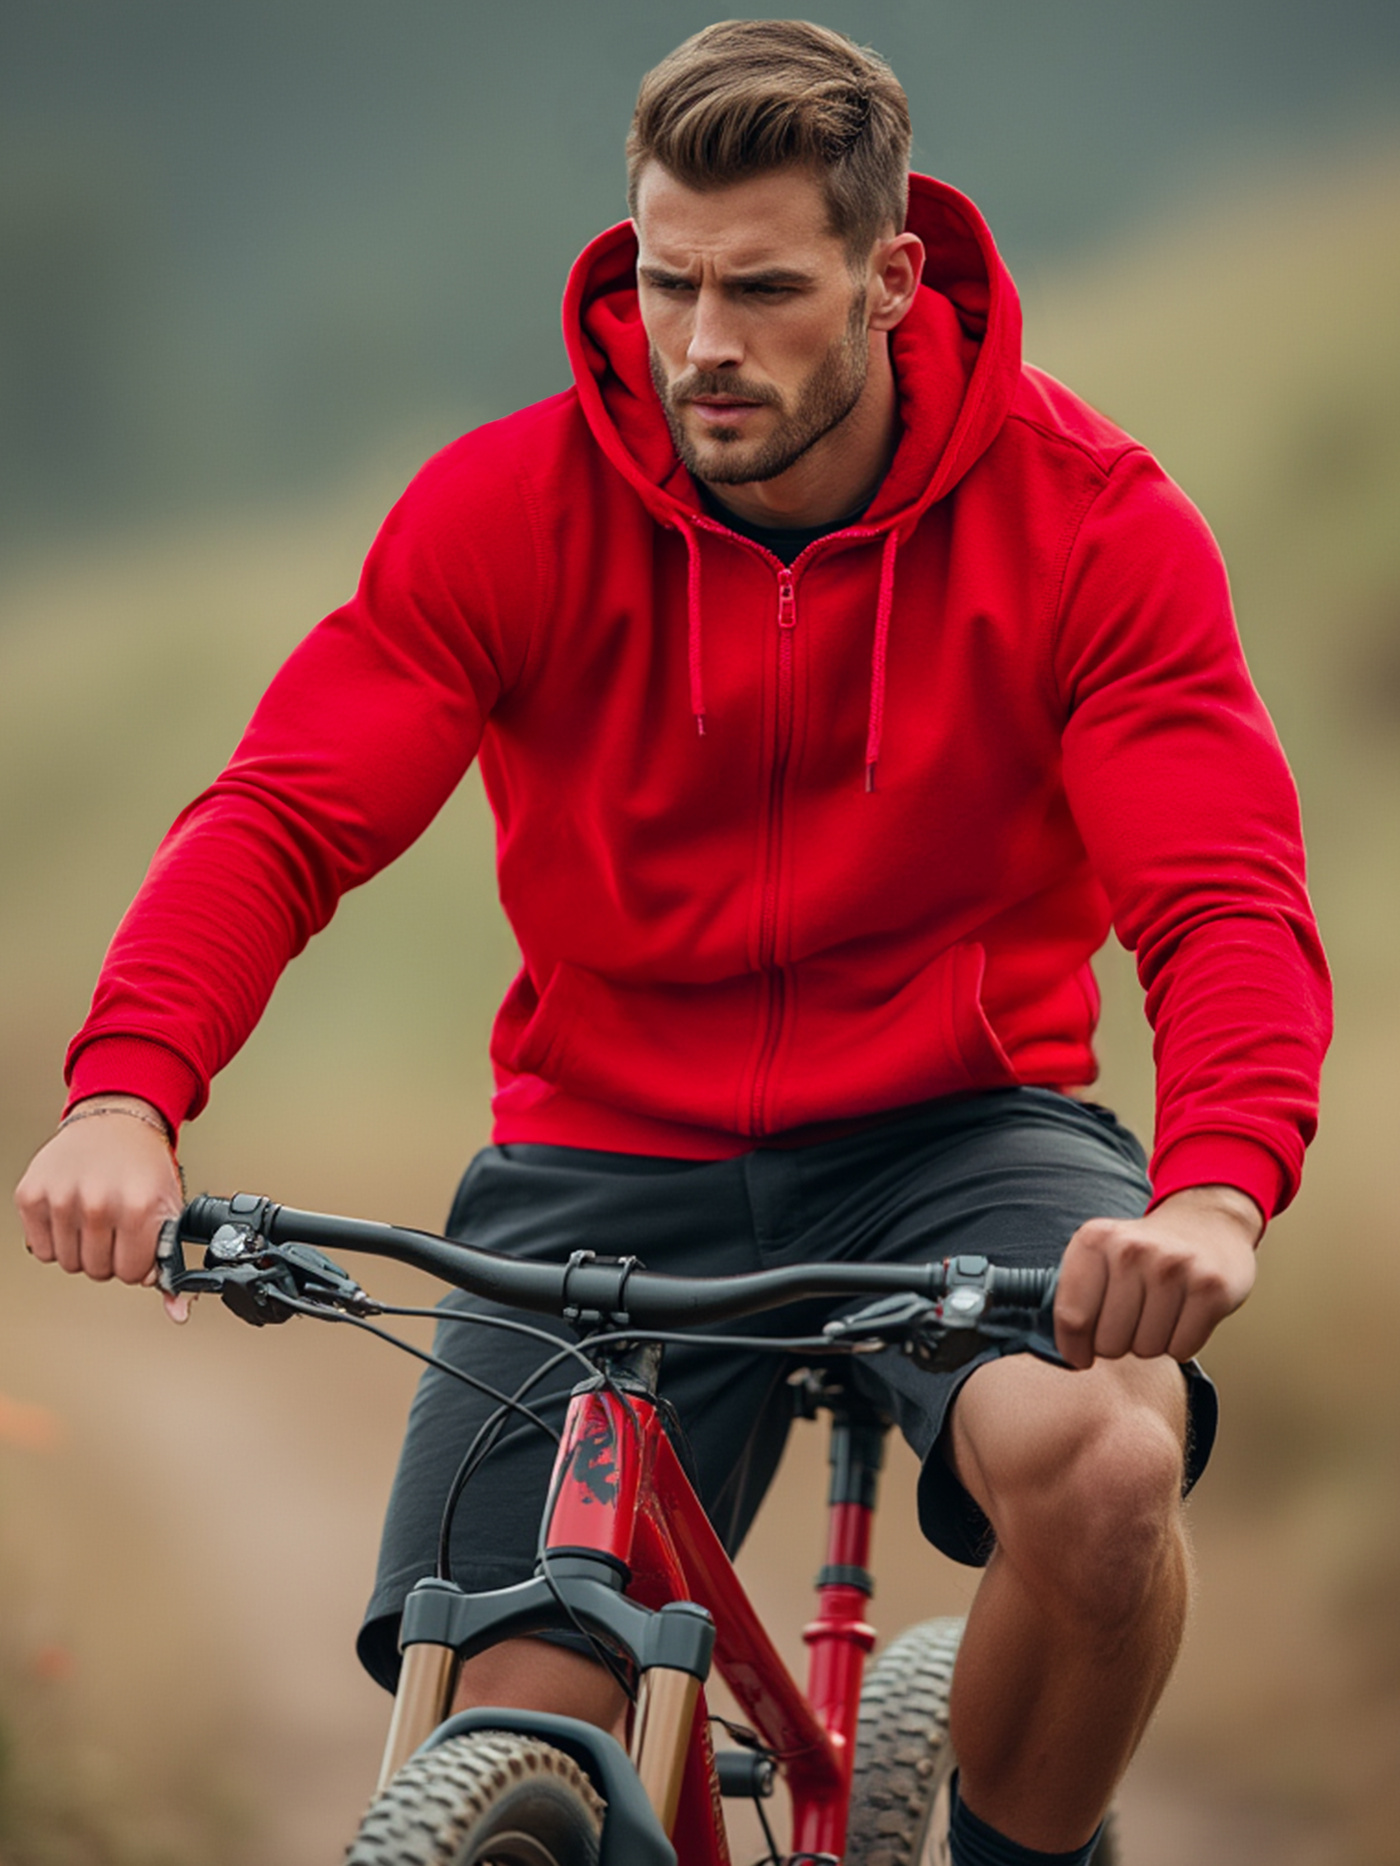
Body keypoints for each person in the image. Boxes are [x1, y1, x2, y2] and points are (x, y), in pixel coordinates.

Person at [14, 20, 1329, 1866]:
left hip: (961, 1131)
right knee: (516, 1736)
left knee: (1110, 1464)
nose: (703, 341)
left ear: (890, 278)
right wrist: (126, 1094)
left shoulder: (1091, 522)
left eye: (765, 289)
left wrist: (1212, 1192)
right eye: (666, 279)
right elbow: (281, 817)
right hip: (606, 1151)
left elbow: (1221, 898)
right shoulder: (509, 512)